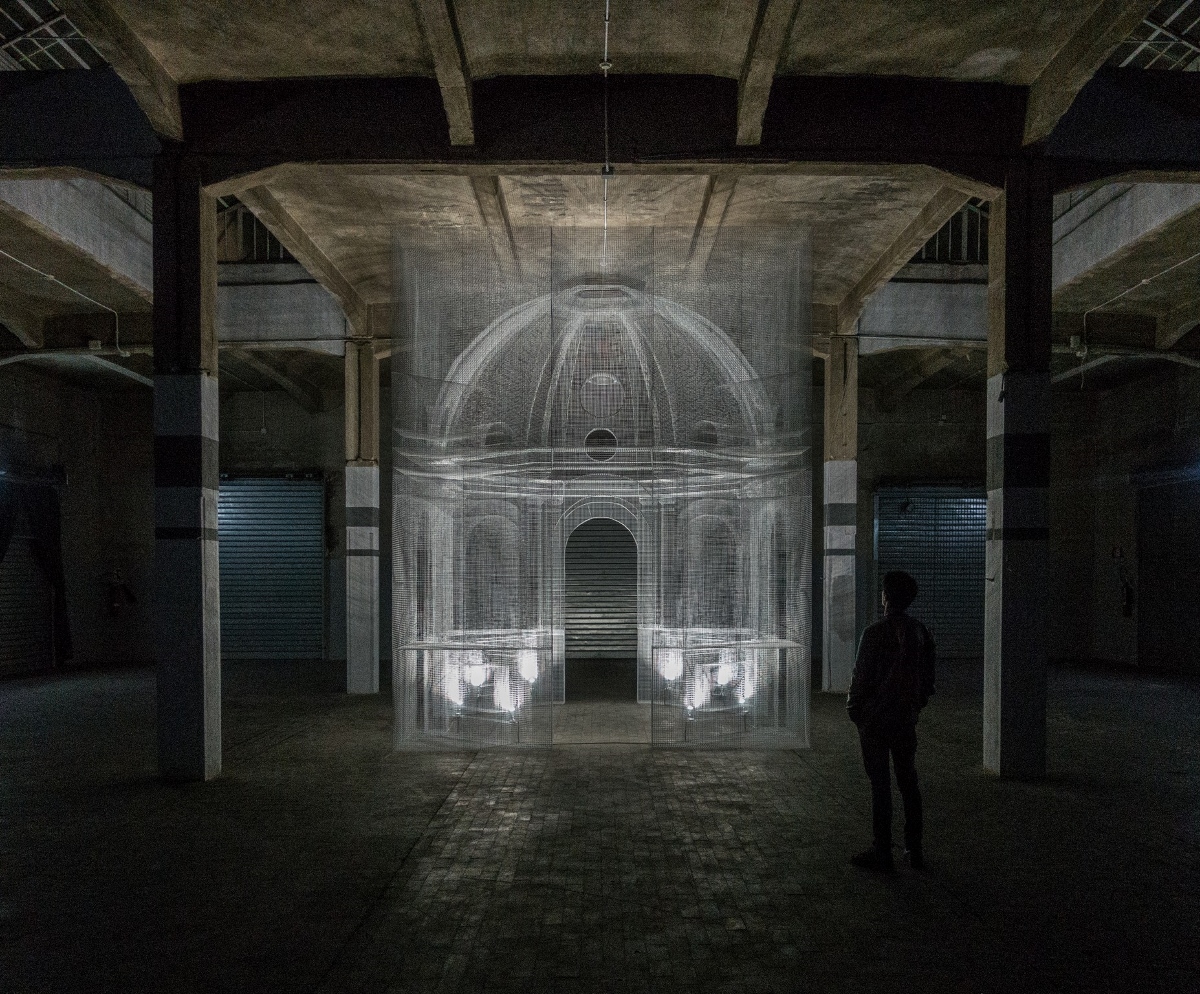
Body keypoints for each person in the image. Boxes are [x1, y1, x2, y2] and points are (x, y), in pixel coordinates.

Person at [846, 570, 936, 872]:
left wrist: (856, 711)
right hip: (904, 720)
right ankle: (915, 850)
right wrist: (915, 707)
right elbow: (928, 680)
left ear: (885, 596)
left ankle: (882, 850)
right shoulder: (921, 631)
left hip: (875, 721)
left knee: (881, 786)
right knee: (908, 782)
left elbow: (861, 677)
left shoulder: (874, 633)